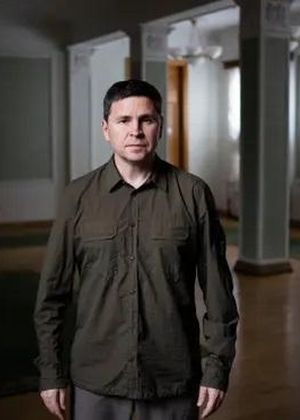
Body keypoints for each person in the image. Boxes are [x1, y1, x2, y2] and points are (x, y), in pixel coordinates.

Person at [34, 79, 238, 420]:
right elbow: (51, 296)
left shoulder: (193, 194)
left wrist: (217, 369)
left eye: (146, 120)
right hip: (96, 378)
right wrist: (51, 371)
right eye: (123, 120)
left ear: (160, 125)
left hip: (172, 378)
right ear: (106, 129)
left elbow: (219, 294)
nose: (136, 131)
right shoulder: (77, 197)